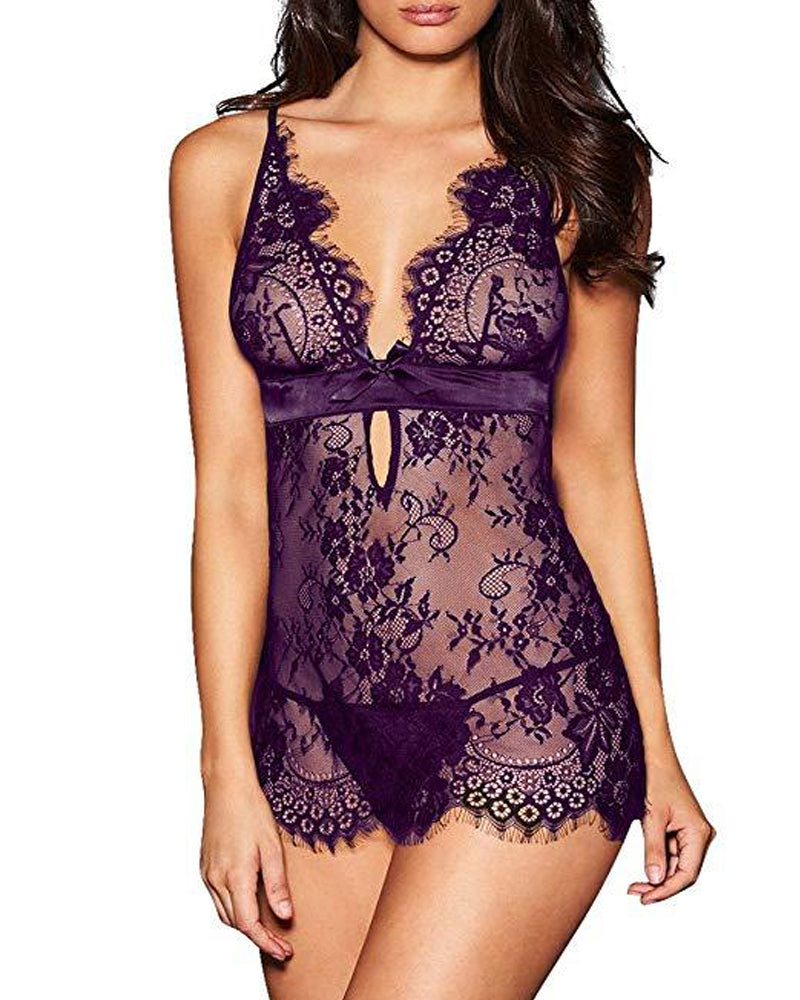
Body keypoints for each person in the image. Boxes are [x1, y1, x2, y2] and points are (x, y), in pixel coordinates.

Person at [169, 2, 715, 997]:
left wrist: (659, 742)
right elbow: (231, 490)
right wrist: (224, 771)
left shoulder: (577, 166)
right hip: (306, 725)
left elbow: (596, 465)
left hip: (530, 696)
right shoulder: (222, 168)